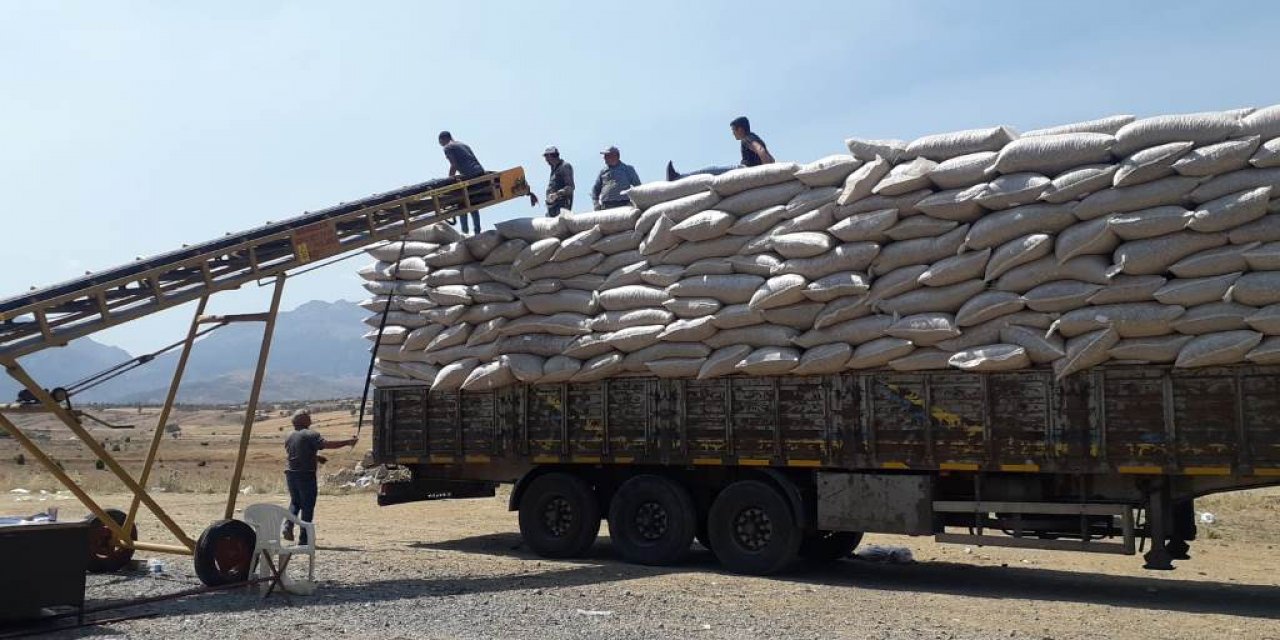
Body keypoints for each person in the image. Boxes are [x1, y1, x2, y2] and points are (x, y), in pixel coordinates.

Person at [282, 410, 358, 543]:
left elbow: (296, 453)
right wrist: (348, 442)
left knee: (295, 502)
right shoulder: (311, 434)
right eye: (308, 416)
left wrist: (315, 457)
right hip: (306, 474)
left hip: (290, 473)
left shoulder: (289, 435)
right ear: (304, 420)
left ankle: (288, 525)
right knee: (307, 506)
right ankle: (304, 538)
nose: (311, 418)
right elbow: (326, 444)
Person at [665, 115, 776, 181]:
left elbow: (760, 150)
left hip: (743, 169)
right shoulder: (754, 137)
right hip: (748, 170)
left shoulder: (747, 139)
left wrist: (767, 173)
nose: (733, 133)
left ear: (740, 129)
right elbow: (771, 158)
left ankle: (677, 178)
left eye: (734, 130)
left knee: (708, 171)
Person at [438, 131, 485, 235]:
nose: (441, 145)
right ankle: (477, 231)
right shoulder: (463, 144)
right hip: (480, 173)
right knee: (472, 202)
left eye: (440, 142)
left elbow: (453, 164)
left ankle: (465, 232)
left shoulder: (448, 147)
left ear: (443, 140)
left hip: (470, 175)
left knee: (460, 201)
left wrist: (449, 180)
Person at [591, 146, 642, 210]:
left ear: (616, 156)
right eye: (605, 156)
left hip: (623, 204)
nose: (604, 158)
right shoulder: (603, 172)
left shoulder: (627, 169)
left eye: (607, 156)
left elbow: (638, 187)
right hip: (606, 205)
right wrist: (596, 203)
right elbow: (595, 190)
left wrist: (639, 202)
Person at [542, 146, 574, 217]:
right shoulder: (554, 169)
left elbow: (570, 187)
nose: (546, 160)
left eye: (546, 157)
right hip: (553, 207)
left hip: (562, 207)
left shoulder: (564, 166)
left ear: (550, 155)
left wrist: (557, 194)